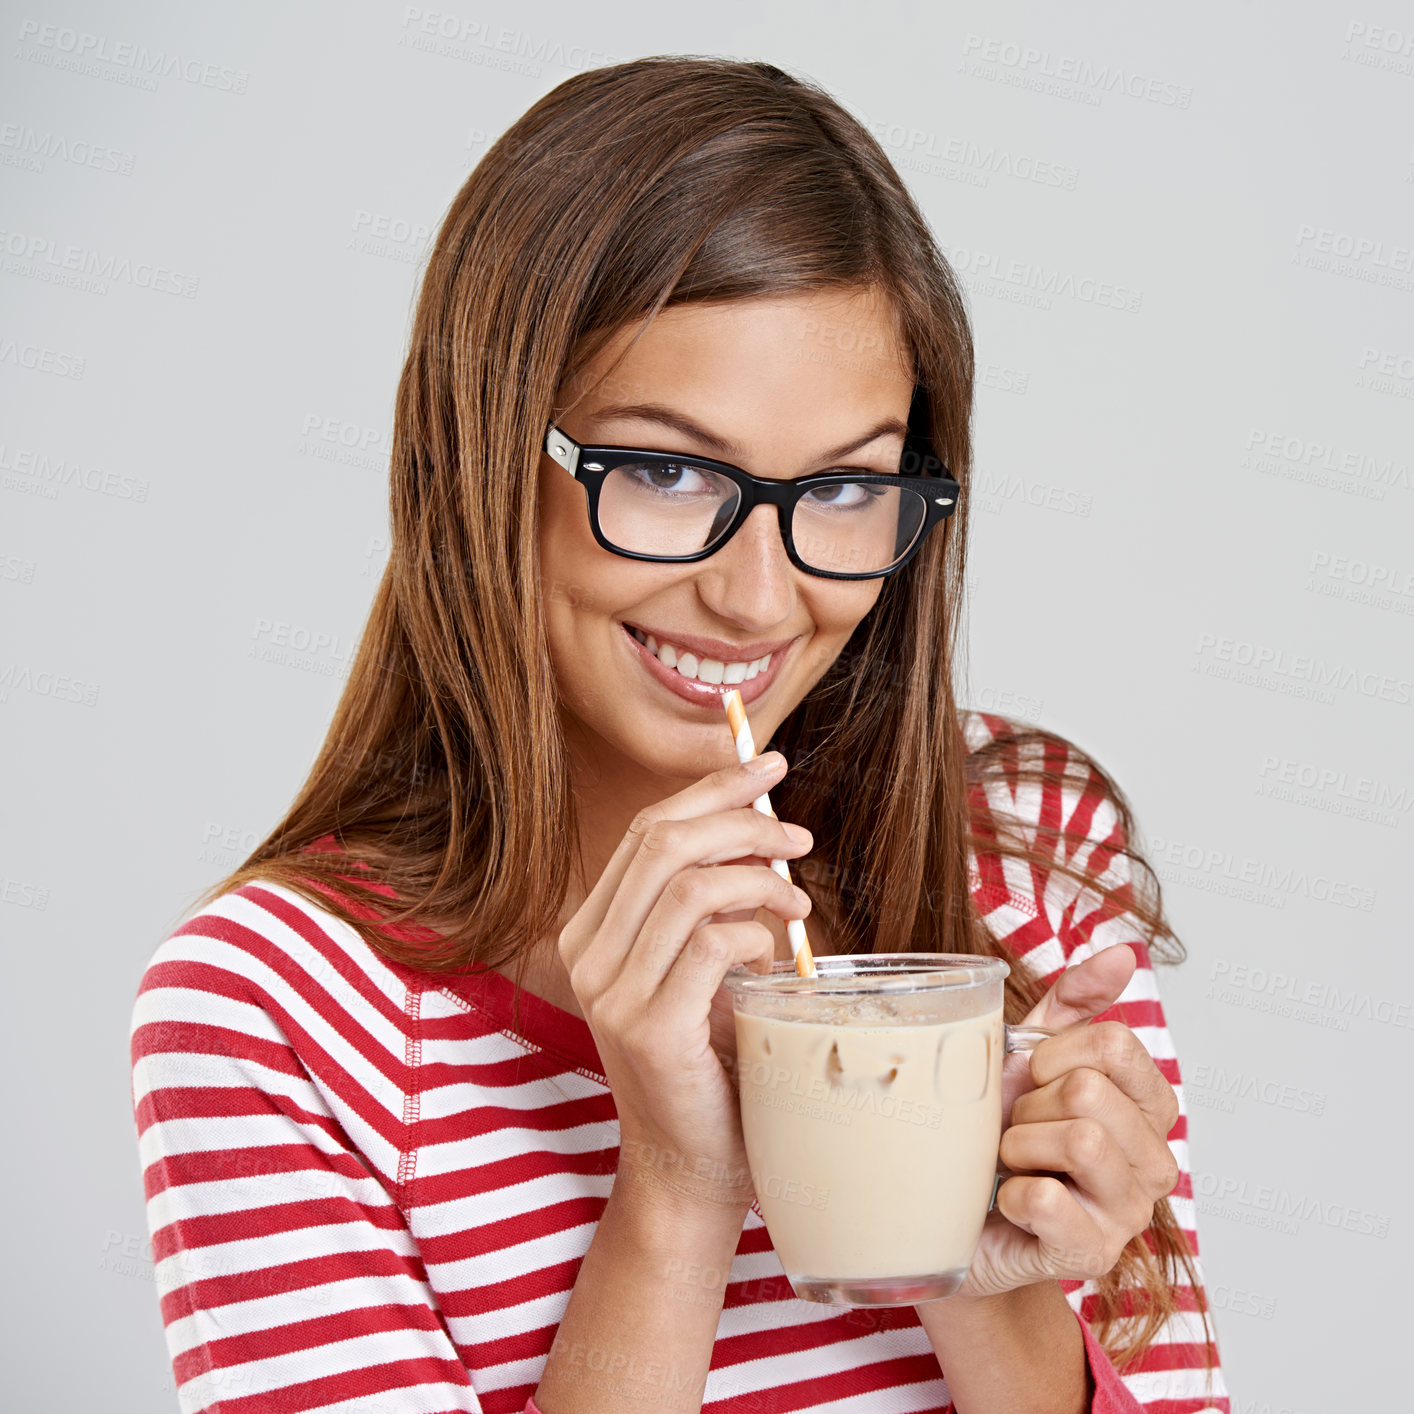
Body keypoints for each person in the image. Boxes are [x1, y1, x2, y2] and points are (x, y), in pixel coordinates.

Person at [128, 56, 1228, 1414]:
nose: (759, 597)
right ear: (479, 457)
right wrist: (674, 1193)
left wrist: (982, 1275)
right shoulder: (276, 1010)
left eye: (840, 488)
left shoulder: (1018, 856)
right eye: (661, 470)